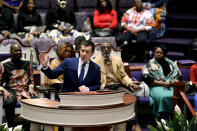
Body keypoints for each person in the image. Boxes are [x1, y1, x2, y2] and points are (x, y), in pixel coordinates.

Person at [93, 42, 141, 131]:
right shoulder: (95, 62)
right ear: (100, 49)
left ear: (111, 49)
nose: (106, 49)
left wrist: (130, 83)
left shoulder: (117, 60)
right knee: (109, 101)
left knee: (133, 97)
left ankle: (135, 124)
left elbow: (123, 76)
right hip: (105, 87)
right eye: (104, 48)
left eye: (108, 47)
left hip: (118, 86)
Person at [0, 43, 38, 129]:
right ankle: (11, 126)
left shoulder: (27, 63)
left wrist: (31, 87)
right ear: (11, 52)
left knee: (35, 101)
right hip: (10, 89)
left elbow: (31, 79)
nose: (18, 52)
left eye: (19, 50)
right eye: (16, 50)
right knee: (10, 103)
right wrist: (4, 90)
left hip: (25, 89)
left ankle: (28, 126)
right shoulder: (4, 64)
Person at [142, 45, 182, 118]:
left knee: (179, 95)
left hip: (171, 86)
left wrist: (172, 83)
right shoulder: (149, 64)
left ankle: (176, 118)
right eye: (157, 52)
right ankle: (163, 117)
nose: (158, 54)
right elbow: (147, 78)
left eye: (161, 53)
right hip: (156, 86)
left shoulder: (171, 63)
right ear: (154, 53)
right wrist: (164, 83)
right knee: (163, 97)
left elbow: (178, 75)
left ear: (164, 54)